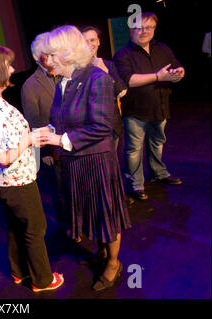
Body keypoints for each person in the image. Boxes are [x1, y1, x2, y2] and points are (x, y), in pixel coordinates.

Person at [39, 25, 131, 291]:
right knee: (92, 213)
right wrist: (51, 131)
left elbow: (102, 126)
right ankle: (103, 251)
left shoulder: (98, 79)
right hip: (75, 162)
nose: (48, 60)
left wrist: (60, 140)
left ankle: (113, 262)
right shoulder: (62, 84)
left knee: (107, 215)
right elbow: (63, 121)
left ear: (67, 54)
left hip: (97, 162)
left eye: (52, 55)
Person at [0, 44, 64, 292]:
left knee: (15, 225)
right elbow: (2, 156)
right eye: (8, 65)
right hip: (16, 180)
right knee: (35, 228)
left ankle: (19, 272)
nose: (12, 69)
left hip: (3, 181)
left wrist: (31, 133)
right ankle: (43, 280)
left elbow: (5, 139)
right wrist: (29, 140)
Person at [113, 12, 185, 200]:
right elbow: (128, 80)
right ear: (131, 30)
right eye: (139, 27)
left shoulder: (162, 48)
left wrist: (179, 72)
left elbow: (176, 66)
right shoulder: (123, 54)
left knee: (157, 144)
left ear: (154, 29)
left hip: (160, 107)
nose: (144, 31)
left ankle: (158, 173)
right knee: (134, 150)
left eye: (149, 27)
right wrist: (158, 77)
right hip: (136, 111)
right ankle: (136, 185)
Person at [20, 32, 66, 236]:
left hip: (73, 142)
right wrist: (45, 151)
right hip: (51, 149)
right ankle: (67, 226)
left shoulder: (66, 73)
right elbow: (33, 121)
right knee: (59, 190)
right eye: (47, 52)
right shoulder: (30, 85)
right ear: (37, 56)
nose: (52, 56)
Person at [81, 26, 128, 151]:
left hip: (111, 127)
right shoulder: (76, 69)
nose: (90, 44)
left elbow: (121, 92)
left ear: (98, 42)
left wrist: (105, 71)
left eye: (92, 40)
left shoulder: (108, 65)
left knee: (112, 164)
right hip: (88, 127)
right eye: (85, 41)